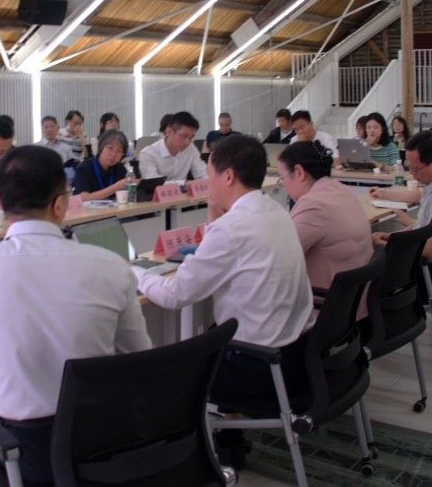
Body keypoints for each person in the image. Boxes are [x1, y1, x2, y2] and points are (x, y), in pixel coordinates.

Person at [0, 145, 151, 484]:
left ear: (0, 203)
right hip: (103, 441)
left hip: (27, 449)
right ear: (60, 204)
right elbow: (140, 355)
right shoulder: (111, 266)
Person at [135, 134, 313, 408]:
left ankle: (206, 429)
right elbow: (224, 250)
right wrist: (214, 218)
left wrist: (135, 272)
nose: (207, 182)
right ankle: (229, 425)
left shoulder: (232, 228)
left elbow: (175, 295)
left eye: (210, 174)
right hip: (295, 356)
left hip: (256, 367)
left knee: (165, 370)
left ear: (228, 176)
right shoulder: (275, 210)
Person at [278, 141, 372, 318]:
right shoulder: (341, 190)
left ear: (299, 172)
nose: (284, 186)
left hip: (327, 313)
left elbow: (279, 260)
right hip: (354, 309)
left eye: (282, 178)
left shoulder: (313, 205)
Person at [373, 130, 432, 264]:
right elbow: (421, 227)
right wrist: (392, 237)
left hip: (425, 267)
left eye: (415, 169)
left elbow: (428, 250)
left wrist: (386, 245)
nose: (412, 174)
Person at [138, 111, 207, 181]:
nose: (187, 142)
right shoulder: (148, 154)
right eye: (183, 136)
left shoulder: (191, 148)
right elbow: (153, 183)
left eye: (191, 138)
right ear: (169, 131)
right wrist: (185, 183)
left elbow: (203, 174)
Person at [72, 130, 129, 201]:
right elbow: (84, 198)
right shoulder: (84, 168)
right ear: (101, 147)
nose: (113, 154)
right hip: (89, 208)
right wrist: (116, 187)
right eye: (110, 148)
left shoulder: (120, 168)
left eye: (119, 151)